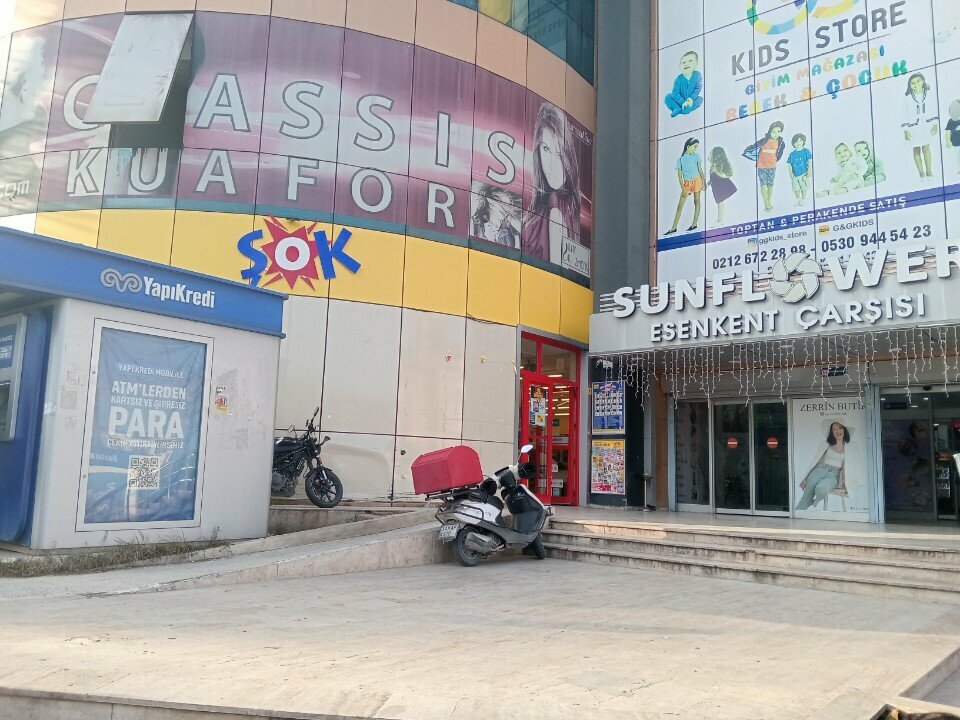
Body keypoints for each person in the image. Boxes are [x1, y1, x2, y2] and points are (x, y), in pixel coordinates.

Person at [521, 102, 581, 264]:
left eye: (560, 155)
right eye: (546, 149)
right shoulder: (567, 204)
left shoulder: (555, 208)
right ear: (537, 150)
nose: (552, 165)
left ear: (568, 158)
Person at [796, 421, 850, 510]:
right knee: (806, 496)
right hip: (819, 470)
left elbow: (846, 468)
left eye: (840, 428)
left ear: (844, 430)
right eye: (834, 429)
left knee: (821, 488)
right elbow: (815, 461)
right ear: (832, 432)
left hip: (833, 475)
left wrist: (844, 483)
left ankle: (815, 501)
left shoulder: (848, 447)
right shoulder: (826, 444)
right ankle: (797, 515)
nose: (838, 431)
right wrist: (805, 478)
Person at [664, 138, 705, 235]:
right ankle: (674, 227)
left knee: (697, 201)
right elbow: (680, 176)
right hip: (687, 183)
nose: (695, 149)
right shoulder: (680, 160)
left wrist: (703, 182)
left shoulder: (696, 156)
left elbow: (700, 170)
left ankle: (694, 224)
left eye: (697, 147)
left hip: (697, 180)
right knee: (680, 205)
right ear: (688, 147)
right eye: (694, 147)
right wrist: (683, 189)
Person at [902, 72, 939, 180]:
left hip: (925, 125)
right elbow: (904, 114)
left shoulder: (930, 95)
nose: (915, 84)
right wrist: (905, 130)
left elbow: (933, 108)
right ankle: (921, 173)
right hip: (914, 127)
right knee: (916, 149)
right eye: (912, 83)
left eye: (917, 81)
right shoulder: (907, 99)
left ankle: (929, 171)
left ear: (923, 81)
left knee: (926, 147)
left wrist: (934, 124)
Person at [744, 121, 785, 213]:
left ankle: (768, 202)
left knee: (770, 185)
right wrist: (748, 152)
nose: (776, 134)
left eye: (778, 131)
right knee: (764, 185)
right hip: (761, 166)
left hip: (772, 166)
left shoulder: (781, 142)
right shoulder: (764, 140)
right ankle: (766, 204)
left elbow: (779, 154)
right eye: (773, 132)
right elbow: (754, 146)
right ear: (770, 131)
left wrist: (774, 160)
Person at [471, 184, 521, 248]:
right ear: (491, 203)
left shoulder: (510, 233)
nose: (506, 209)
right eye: (503, 204)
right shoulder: (475, 223)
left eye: (508, 206)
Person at [664, 51, 704, 118]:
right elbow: (675, 93)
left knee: (700, 99)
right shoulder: (678, 79)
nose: (686, 64)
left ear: (696, 64)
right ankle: (676, 108)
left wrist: (691, 99)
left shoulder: (697, 75)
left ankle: (686, 109)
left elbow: (698, 89)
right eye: (683, 62)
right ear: (680, 67)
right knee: (668, 97)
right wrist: (682, 102)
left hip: (690, 101)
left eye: (690, 61)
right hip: (678, 101)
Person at [707, 146, 736, 224]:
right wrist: (708, 183)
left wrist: (717, 172)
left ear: (715, 156)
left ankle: (720, 221)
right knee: (719, 203)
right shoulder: (713, 166)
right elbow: (713, 177)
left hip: (720, 187)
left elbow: (724, 175)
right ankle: (720, 220)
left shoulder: (716, 166)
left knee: (720, 203)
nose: (709, 155)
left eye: (711, 153)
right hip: (716, 187)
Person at [787, 133, 813, 206]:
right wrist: (791, 173)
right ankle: (798, 198)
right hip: (795, 175)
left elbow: (810, 162)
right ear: (793, 143)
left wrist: (809, 171)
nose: (798, 143)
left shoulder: (806, 151)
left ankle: (803, 199)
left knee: (803, 187)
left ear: (803, 141)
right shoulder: (792, 154)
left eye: (800, 140)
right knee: (796, 188)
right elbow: (789, 164)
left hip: (803, 173)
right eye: (796, 141)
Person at [945, 99, 960, 174]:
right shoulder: (951, 121)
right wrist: (948, 141)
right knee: (958, 156)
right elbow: (947, 132)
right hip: (955, 143)